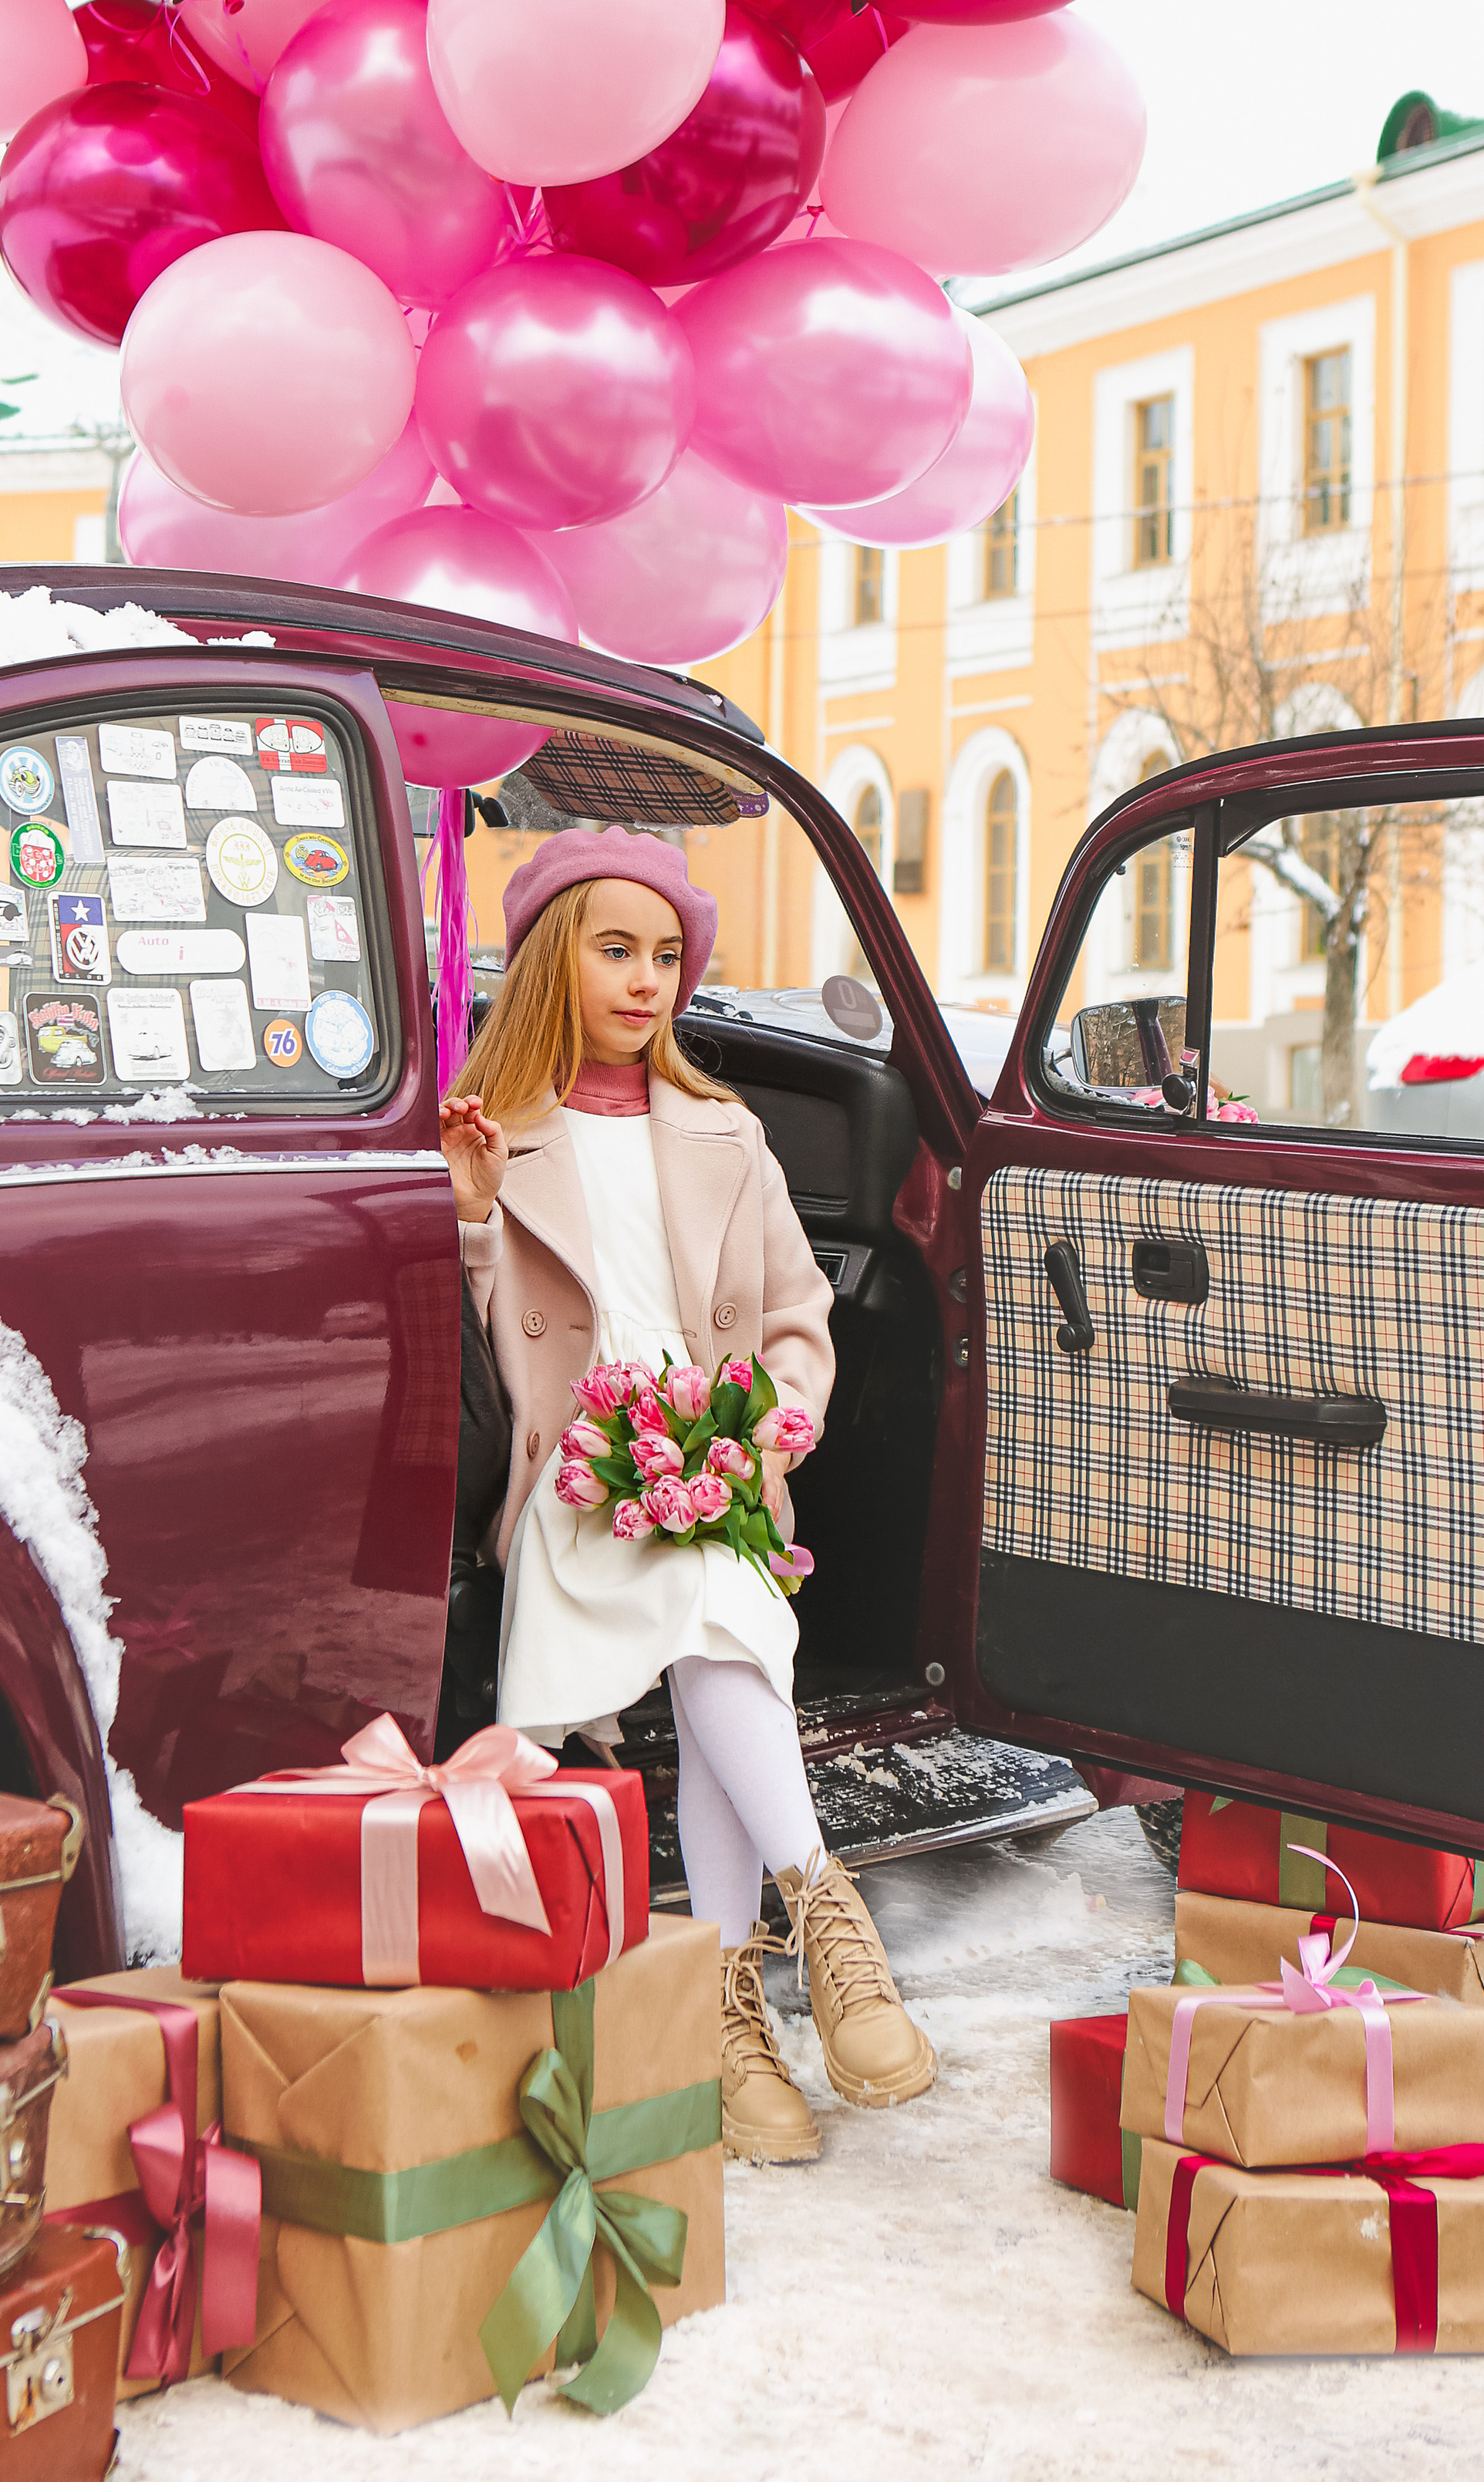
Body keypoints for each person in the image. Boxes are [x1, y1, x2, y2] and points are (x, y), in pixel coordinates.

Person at [440, 827, 935, 2163]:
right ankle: (825, 1913)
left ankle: (732, 2017)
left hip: (714, 1456)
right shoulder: (498, 1135)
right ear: (553, 960)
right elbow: (475, 1355)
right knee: (718, 1612)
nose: (647, 980)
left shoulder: (726, 1129)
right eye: (616, 950)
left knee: (718, 1606)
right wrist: (475, 1215)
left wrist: (772, 1429)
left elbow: (795, 1318)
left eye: (666, 956)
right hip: (574, 1475)